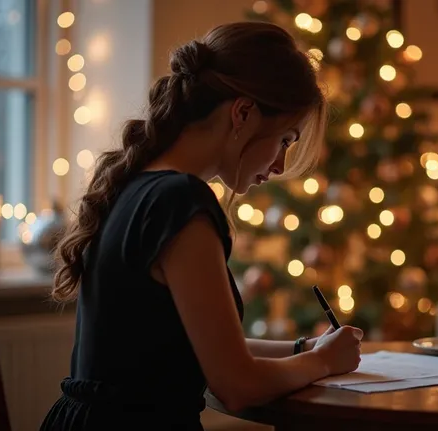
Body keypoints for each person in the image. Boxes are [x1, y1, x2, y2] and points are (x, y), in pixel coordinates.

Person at [39, 21, 364, 430]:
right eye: (285, 140)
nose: (280, 165)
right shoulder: (179, 201)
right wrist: (320, 362)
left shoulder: (135, 184)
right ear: (243, 113)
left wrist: (304, 347)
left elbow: (204, 349)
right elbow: (236, 385)